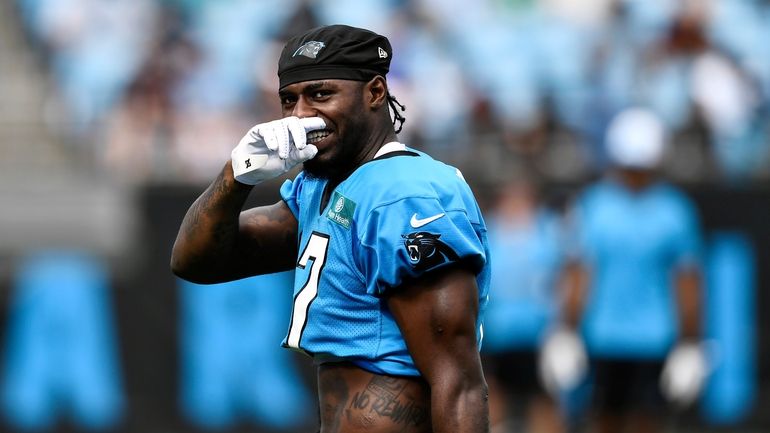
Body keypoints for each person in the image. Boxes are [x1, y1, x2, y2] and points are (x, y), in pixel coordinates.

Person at [170, 24, 491, 433]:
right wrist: (236, 176)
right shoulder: (322, 187)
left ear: (375, 93)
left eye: (321, 94)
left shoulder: (402, 195)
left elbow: (459, 383)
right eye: (290, 100)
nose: (301, 114)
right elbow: (195, 260)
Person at [549, 107, 707, 433]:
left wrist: (566, 328)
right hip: (627, 340)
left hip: (624, 340)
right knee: (632, 421)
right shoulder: (674, 210)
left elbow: (579, 276)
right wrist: (690, 341)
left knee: (615, 420)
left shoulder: (596, 205)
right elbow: (687, 283)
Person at [481, 174, 566, 433]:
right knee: (492, 396)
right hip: (496, 335)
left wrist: (565, 329)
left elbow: (567, 277)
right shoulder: (488, 230)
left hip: (539, 336)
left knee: (543, 400)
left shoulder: (550, 231)